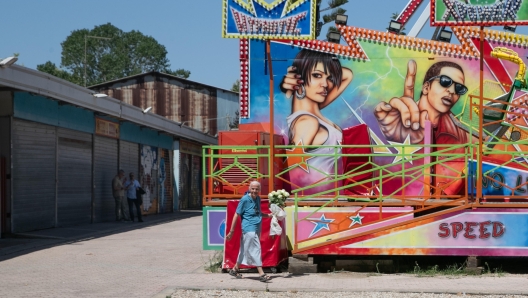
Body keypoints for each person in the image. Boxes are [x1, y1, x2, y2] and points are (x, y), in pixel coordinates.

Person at [374, 60, 470, 195]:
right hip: (400, 207)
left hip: (442, 210)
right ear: (426, 87)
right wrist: (393, 133)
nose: (452, 91)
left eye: (459, 88)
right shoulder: (399, 120)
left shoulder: (462, 135)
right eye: (445, 81)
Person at [280, 49, 353, 193]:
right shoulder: (307, 122)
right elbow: (290, 169)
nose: (325, 84)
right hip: (316, 197)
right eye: (317, 75)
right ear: (298, 78)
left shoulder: (315, 114)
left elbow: (347, 75)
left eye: (329, 78)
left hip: (328, 196)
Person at [226, 181, 273, 282]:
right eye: (253, 189)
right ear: (249, 188)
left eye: (257, 189)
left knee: (244, 249)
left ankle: (234, 269)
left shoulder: (258, 199)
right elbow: (236, 214)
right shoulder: (245, 199)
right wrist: (232, 231)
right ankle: (261, 274)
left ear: (259, 190)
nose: (254, 191)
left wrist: (268, 215)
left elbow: (258, 213)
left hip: (256, 228)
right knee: (255, 249)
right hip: (248, 228)